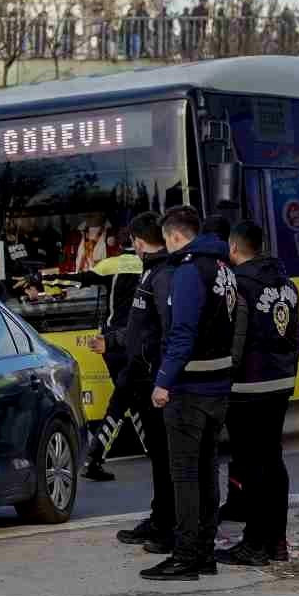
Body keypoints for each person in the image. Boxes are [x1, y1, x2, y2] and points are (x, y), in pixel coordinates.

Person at [142, 205, 237, 581]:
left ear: (175, 236)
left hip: (190, 389)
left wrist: (163, 381)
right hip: (217, 386)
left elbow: (182, 332)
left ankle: (185, 557)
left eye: (167, 240)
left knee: (185, 475)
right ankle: (205, 553)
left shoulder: (188, 272)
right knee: (207, 472)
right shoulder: (223, 269)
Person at [215, 220, 299, 564]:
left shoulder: (239, 284)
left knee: (251, 466)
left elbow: (235, 340)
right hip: (279, 383)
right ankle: (277, 542)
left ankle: (254, 545)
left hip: (248, 386)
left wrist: (225, 379)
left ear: (234, 248)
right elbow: (296, 336)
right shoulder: (288, 284)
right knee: (273, 461)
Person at [41, 226, 149, 482]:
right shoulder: (152, 266)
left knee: (130, 396)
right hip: (137, 341)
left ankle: (144, 449)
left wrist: (41, 280)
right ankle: (94, 455)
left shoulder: (110, 265)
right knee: (125, 398)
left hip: (110, 343)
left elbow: (77, 279)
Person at [114, 214, 178, 550]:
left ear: (138, 241)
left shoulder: (162, 272)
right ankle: (160, 517)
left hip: (156, 379)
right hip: (144, 375)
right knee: (158, 455)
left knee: (166, 457)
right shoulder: (153, 270)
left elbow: (168, 329)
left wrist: (161, 376)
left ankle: (168, 523)